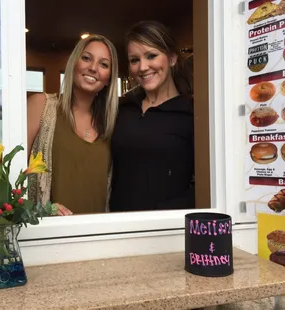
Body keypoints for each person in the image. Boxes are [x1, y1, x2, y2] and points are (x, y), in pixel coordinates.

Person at [27, 34, 119, 216]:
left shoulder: (111, 125)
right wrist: (42, 210)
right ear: (74, 63)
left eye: (104, 64)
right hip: (49, 236)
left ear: (109, 78)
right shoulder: (42, 105)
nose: (93, 68)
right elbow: (12, 173)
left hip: (98, 235)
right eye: (86, 58)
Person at [109, 21, 195, 212]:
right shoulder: (124, 109)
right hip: (116, 225)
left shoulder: (192, 114)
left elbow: (207, 182)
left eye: (151, 56)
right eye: (134, 60)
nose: (143, 67)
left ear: (172, 58)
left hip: (166, 230)